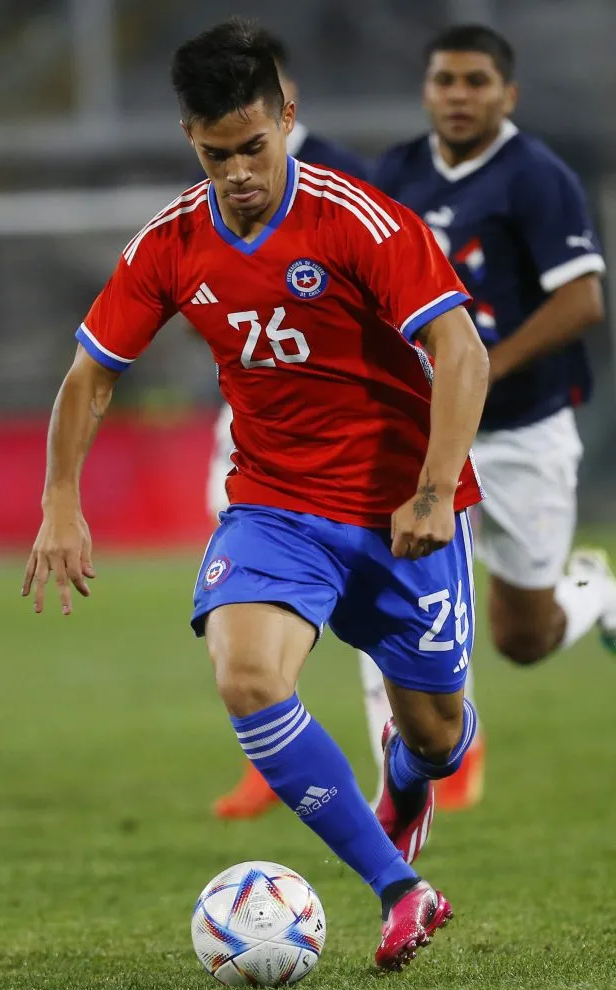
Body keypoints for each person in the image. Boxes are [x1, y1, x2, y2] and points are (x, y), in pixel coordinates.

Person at [22, 18, 489, 970]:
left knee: (437, 737)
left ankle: (408, 775)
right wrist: (59, 502)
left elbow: (459, 350)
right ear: (189, 140)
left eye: (252, 147)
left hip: (402, 510)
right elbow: (90, 375)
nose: (237, 172)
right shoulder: (172, 242)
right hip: (275, 506)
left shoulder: (358, 220)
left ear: (287, 116)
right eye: (213, 153)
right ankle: (401, 891)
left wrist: (435, 490)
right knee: (246, 676)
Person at [370, 24, 614, 816]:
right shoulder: (395, 173)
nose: (458, 95)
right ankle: (421, 763)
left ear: (506, 94)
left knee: (522, 639)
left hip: (521, 428)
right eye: (445, 80)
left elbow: (582, 300)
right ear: (426, 89)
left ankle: (593, 594)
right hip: (422, 433)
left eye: (476, 82)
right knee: (389, 576)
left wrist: (478, 370)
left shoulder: (537, 177)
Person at [207, 29, 375, 821]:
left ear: (283, 97)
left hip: (349, 432)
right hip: (254, 416)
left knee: (386, 612)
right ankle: (272, 739)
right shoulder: (214, 182)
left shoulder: (344, 177)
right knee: (243, 584)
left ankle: (413, 755)